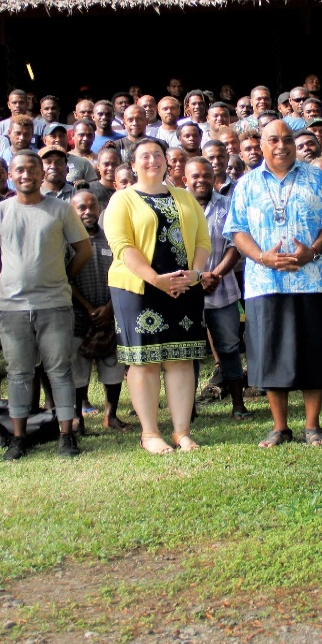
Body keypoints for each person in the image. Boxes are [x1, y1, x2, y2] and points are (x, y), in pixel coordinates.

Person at [225, 121, 322, 447]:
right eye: (273, 139)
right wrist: (262, 257)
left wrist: (313, 251)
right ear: (260, 145)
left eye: (287, 139)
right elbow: (237, 231)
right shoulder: (247, 184)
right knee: (270, 352)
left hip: (312, 279)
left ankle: (312, 426)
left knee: (314, 352)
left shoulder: (318, 177)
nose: (282, 145)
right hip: (265, 281)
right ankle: (280, 427)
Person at [0, 150, 91, 460]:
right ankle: (18, 437)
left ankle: (67, 435)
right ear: (8, 175)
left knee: (60, 371)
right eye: (19, 170)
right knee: (19, 373)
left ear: (42, 174)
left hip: (54, 304)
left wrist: (64, 277)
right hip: (12, 308)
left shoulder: (61, 209)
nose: (26, 175)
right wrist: (7, 279)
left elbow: (83, 249)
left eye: (32, 169)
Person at [102, 140, 210, 453]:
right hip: (138, 290)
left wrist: (196, 273)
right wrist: (155, 280)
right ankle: (150, 433)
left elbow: (202, 240)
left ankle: (182, 432)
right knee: (145, 363)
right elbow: (122, 246)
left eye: (158, 155)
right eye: (145, 156)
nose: (153, 161)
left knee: (180, 359)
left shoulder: (184, 196)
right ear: (133, 165)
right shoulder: (122, 200)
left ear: (167, 162)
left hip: (183, 287)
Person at [184, 157, 249, 420]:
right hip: (187, 294)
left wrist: (215, 274)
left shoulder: (228, 205)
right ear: (185, 179)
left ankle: (238, 404)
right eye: (195, 176)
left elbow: (237, 245)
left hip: (223, 290)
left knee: (229, 348)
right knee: (189, 352)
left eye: (206, 175)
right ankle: (188, 409)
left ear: (214, 177)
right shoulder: (177, 207)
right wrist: (197, 279)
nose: (201, 180)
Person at [66, 189, 127, 431]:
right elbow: (64, 278)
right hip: (78, 315)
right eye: (81, 207)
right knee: (77, 370)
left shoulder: (111, 239)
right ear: (72, 210)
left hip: (109, 313)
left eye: (92, 206)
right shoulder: (66, 242)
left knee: (112, 367)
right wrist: (88, 307)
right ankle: (77, 418)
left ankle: (110, 415)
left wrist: (110, 307)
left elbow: (123, 274)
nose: (87, 212)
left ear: (99, 209)